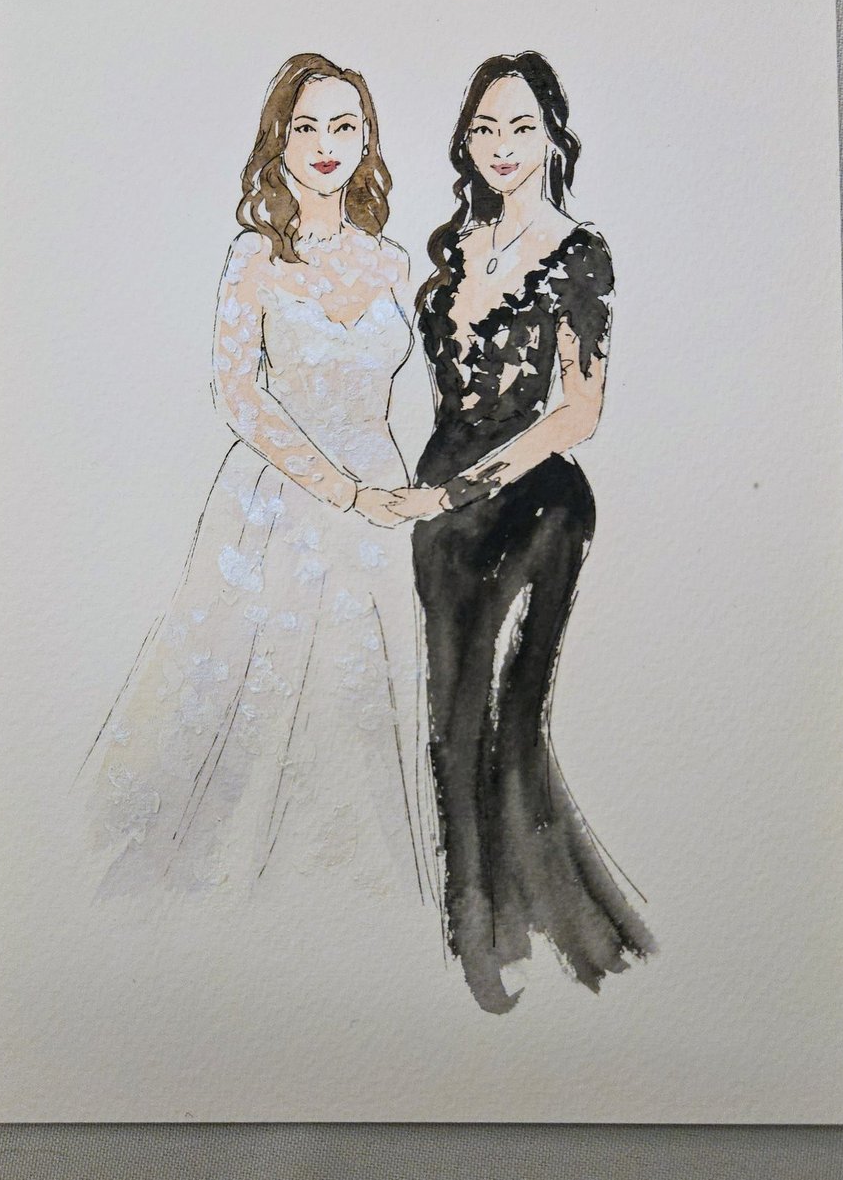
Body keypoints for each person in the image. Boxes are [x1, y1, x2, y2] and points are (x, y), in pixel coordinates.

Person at [82, 53, 433, 902]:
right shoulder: (253, 256)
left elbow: (404, 397)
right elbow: (238, 394)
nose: (324, 143)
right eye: (305, 126)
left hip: (381, 506)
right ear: (278, 141)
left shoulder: (393, 261)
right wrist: (341, 489)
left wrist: (399, 495)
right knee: (253, 699)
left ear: (368, 141)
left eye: (343, 126)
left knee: (366, 700)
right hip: (278, 501)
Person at [391, 52, 655, 1012]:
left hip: (537, 505)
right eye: (484, 129)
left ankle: (520, 938)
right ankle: (481, 923)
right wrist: (431, 494)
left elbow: (580, 409)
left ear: (553, 139)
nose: (502, 146)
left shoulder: (580, 251)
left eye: (521, 128)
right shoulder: (449, 246)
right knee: (447, 721)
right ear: (465, 142)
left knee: (506, 716)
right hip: (442, 516)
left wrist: (469, 485)